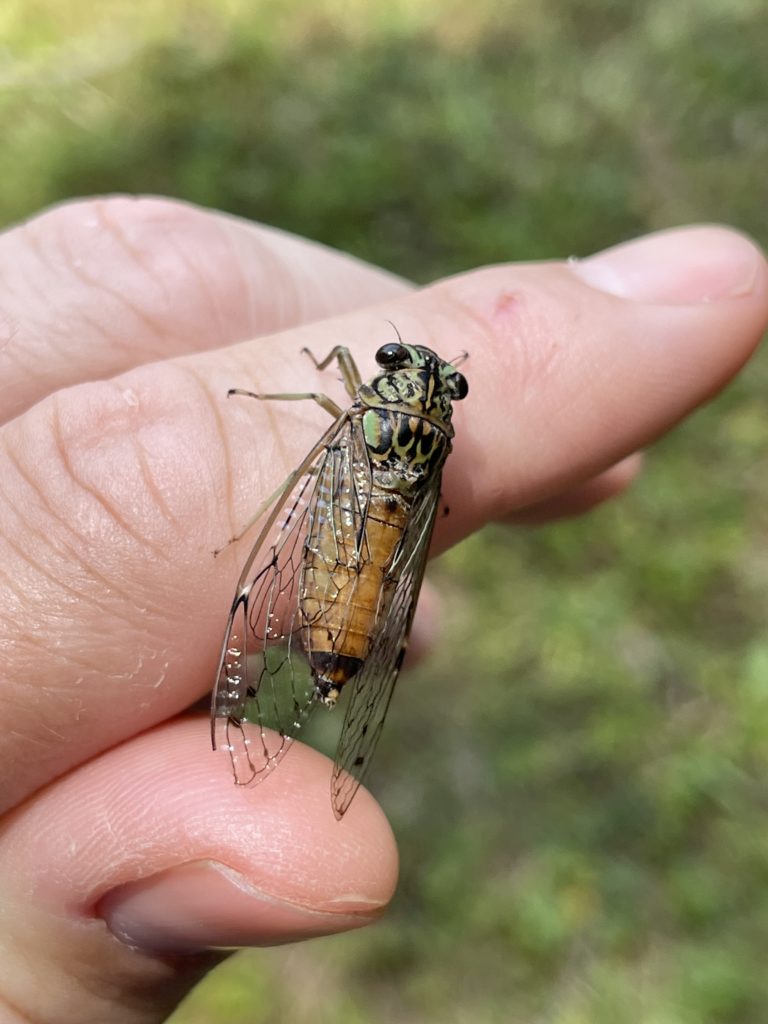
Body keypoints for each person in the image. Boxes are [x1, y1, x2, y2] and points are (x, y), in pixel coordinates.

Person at [0, 196, 765, 1024]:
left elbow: (308, 446)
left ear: (383, 380)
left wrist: (237, 521)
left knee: (299, 505)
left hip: (338, 530)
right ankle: (321, 680)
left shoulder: (352, 412)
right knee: (361, 572)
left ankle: (299, 680)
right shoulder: (436, 437)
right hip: (378, 561)